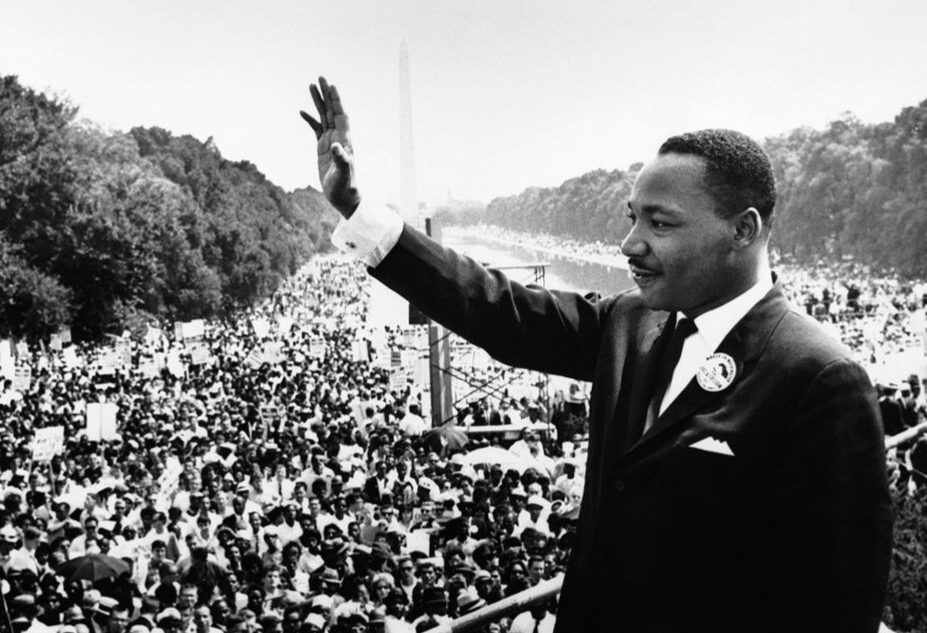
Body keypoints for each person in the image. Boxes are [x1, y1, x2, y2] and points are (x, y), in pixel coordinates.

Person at [300, 77, 892, 632]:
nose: (630, 244)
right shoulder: (630, 321)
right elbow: (495, 309)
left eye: (660, 223)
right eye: (633, 217)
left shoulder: (820, 378)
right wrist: (357, 208)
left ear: (743, 230)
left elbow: (831, 607)